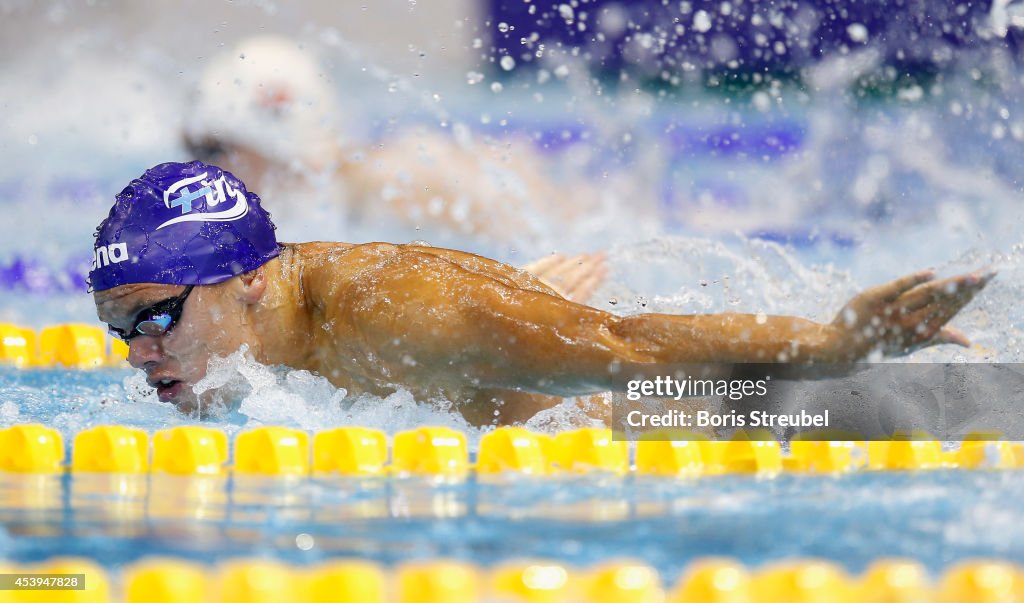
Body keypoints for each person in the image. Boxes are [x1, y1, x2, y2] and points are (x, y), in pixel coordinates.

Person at [92, 162, 992, 425]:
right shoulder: (235, 349)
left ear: (248, 278)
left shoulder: (391, 311)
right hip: (510, 359)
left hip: (667, 412)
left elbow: (630, 347)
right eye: (121, 329)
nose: (140, 352)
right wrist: (514, 314)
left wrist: (837, 345)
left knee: (963, 403)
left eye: (157, 315)